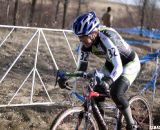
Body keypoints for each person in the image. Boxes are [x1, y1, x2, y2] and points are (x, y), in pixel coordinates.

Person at [58, 11, 141, 130]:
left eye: (83, 37)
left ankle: (132, 125)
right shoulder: (85, 45)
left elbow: (119, 67)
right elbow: (81, 69)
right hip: (111, 64)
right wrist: (67, 77)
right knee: (95, 93)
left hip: (129, 63)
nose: (81, 40)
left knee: (116, 93)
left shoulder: (107, 39)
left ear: (93, 33)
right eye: (79, 37)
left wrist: (108, 81)